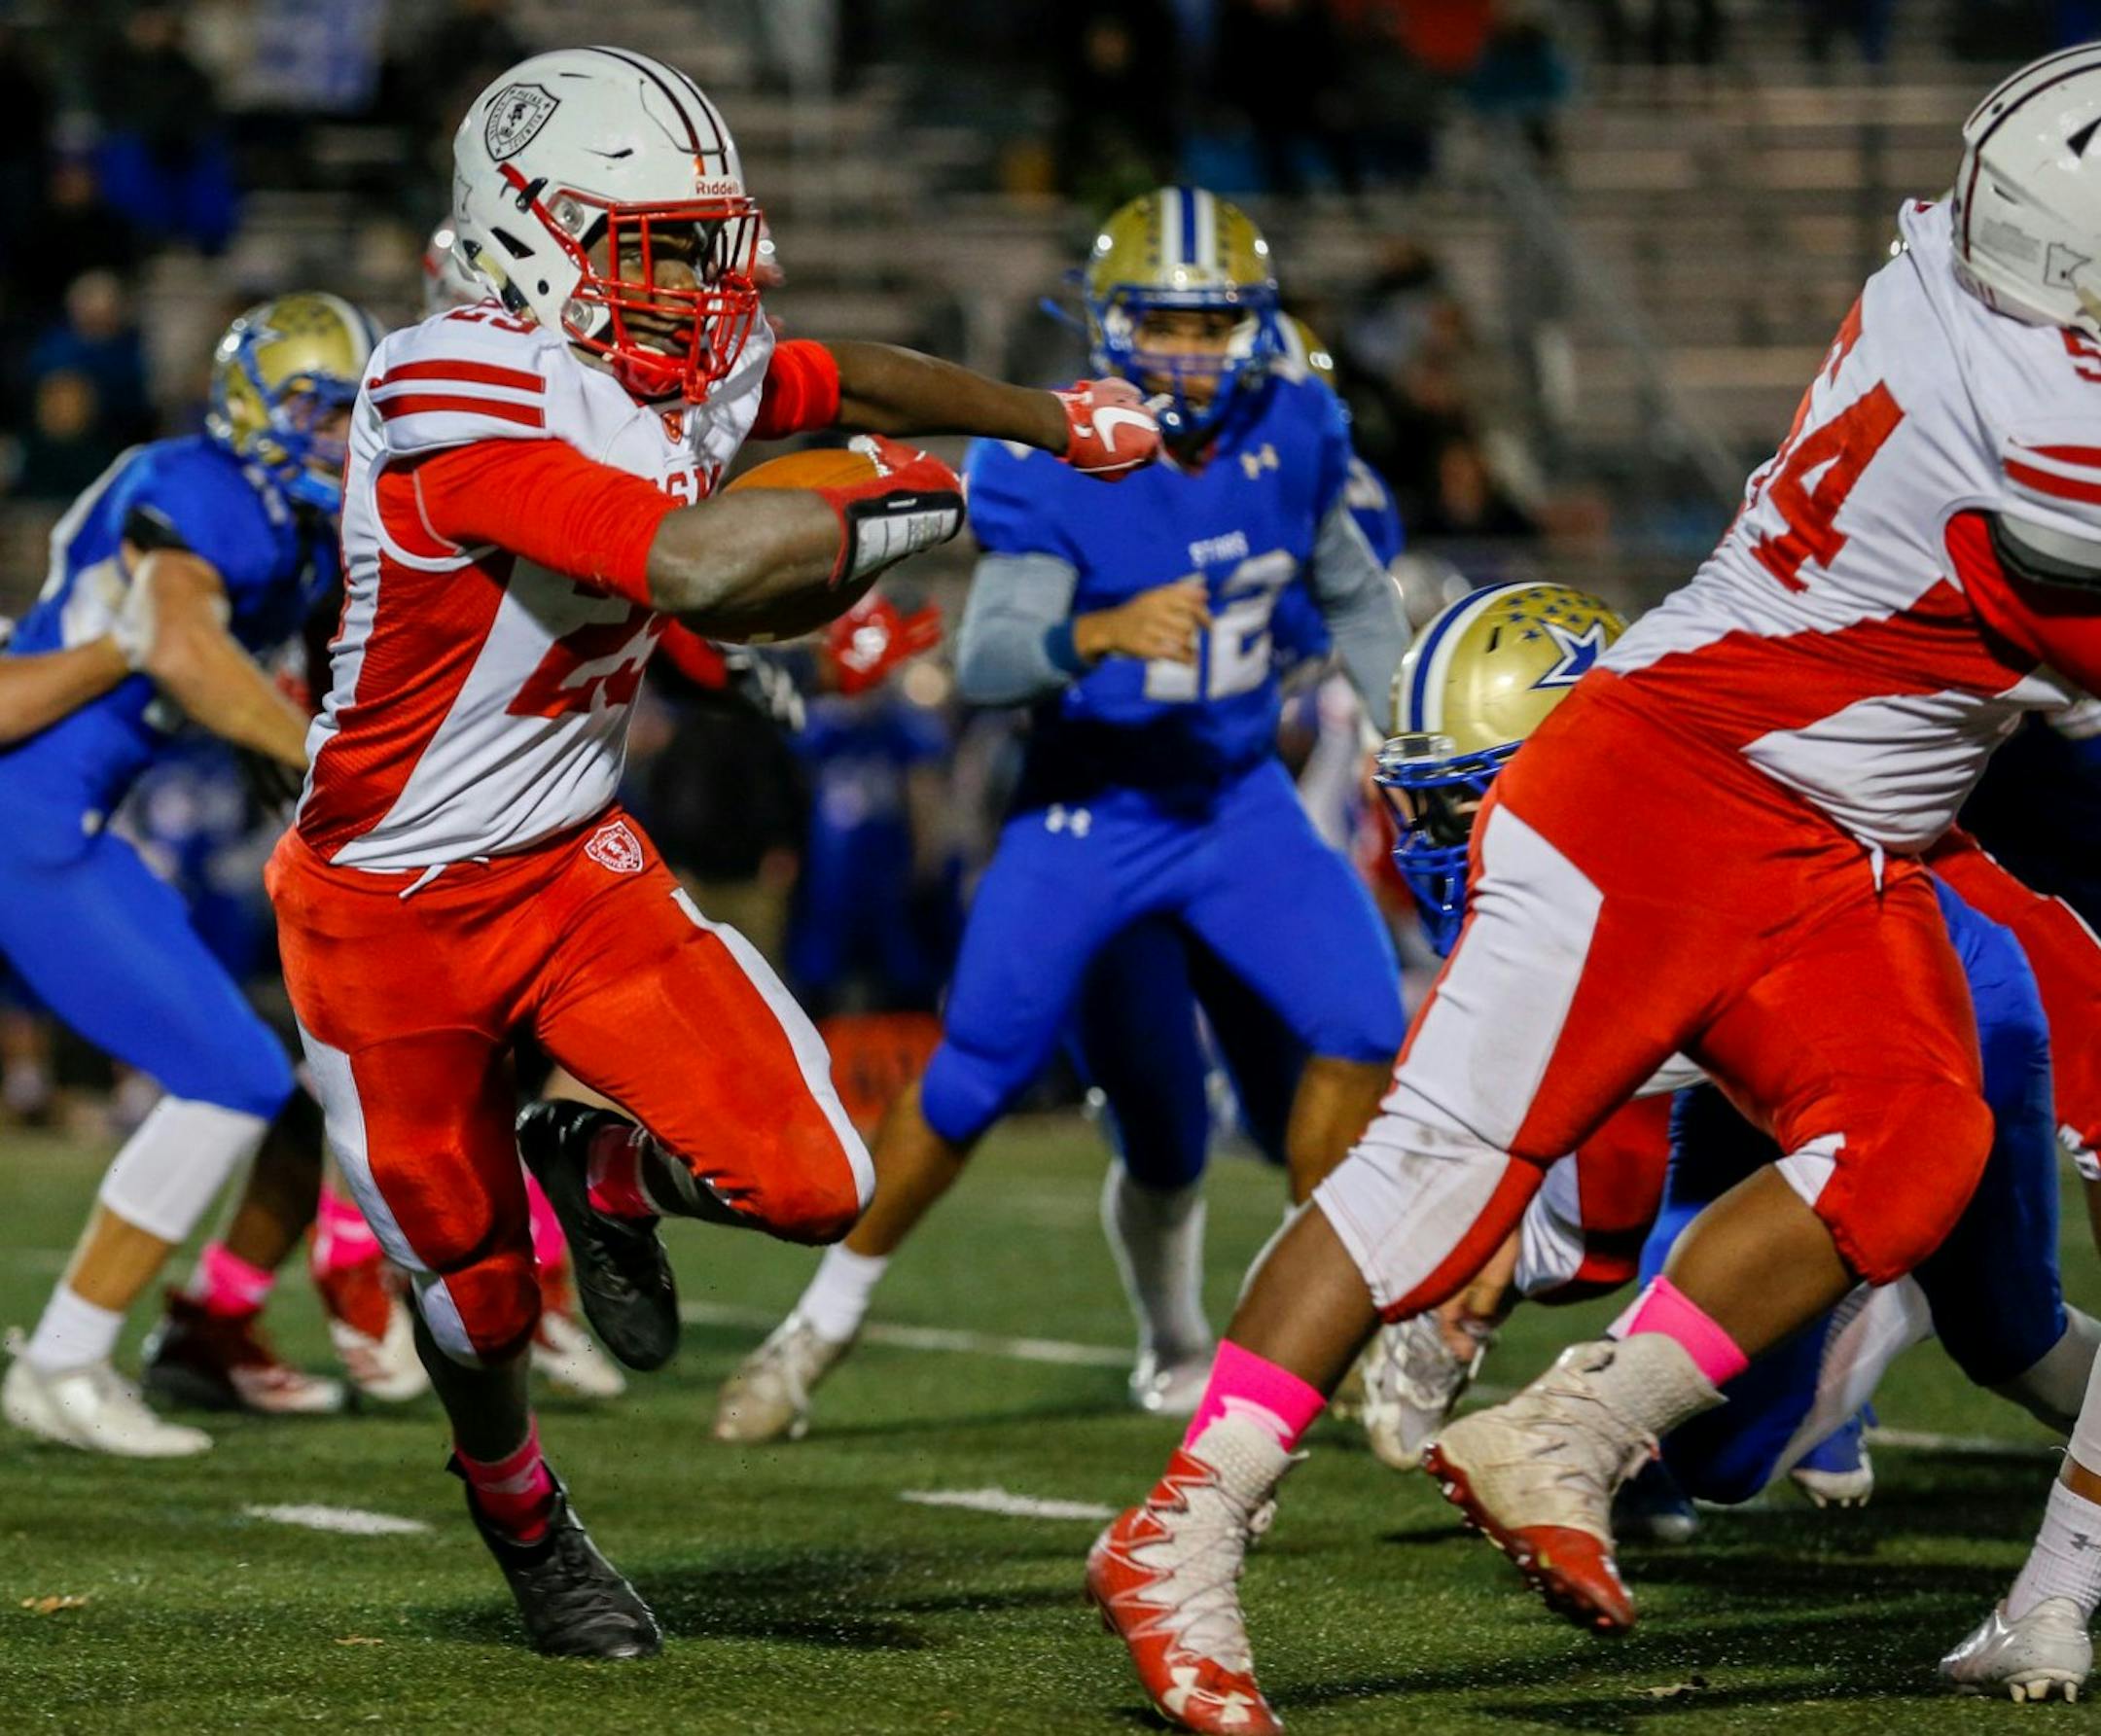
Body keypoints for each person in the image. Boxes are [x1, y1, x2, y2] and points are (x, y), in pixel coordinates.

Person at [1086, 48, 2101, 1732]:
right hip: (1669, 796)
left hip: (1837, 847)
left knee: (1921, 1142)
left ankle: (1575, 1431)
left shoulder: (1945, 261)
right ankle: (1183, 1527)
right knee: (1441, 1181)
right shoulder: (2039, 433)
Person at [267, 46, 1162, 1662]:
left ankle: (593, 1166)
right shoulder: (446, 383)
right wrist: (945, 494)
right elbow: (687, 559)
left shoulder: (682, 352)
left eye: (704, 240)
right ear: (528, 231)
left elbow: (836, 378)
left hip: (568, 866)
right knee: (470, 1301)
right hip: (385, 905)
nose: (699, 283)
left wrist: (1048, 419)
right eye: (660, 243)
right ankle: (529, 1525)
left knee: (823, 1182)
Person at [713, 188, 1409, 1445]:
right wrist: (1096, 630)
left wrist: (1409, 726)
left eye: (1211, 325)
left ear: (1253, 326)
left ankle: (1342, 1342)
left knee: (1364, 1022)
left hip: (1235, 802)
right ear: (1109, 326)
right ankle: (813, 1329)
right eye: (1163, 324)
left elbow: (1354, 593)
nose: (1189, 353)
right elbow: (985, 659)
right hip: (1091, 814)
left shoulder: (1299, 421)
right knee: (982, 1074)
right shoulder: (1062, 455)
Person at [1, 294, 380, 1459]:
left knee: (237, 1072)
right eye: (313, 407)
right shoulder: (207, 485)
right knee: (228, 1073)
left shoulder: (292, 525)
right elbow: (176, 644)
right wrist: (309, 751)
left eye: (346, 412)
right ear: (254, 403)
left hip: (61, 817)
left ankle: (76, 1354)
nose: (332, 435)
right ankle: (64, 1359)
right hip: (31, 819)